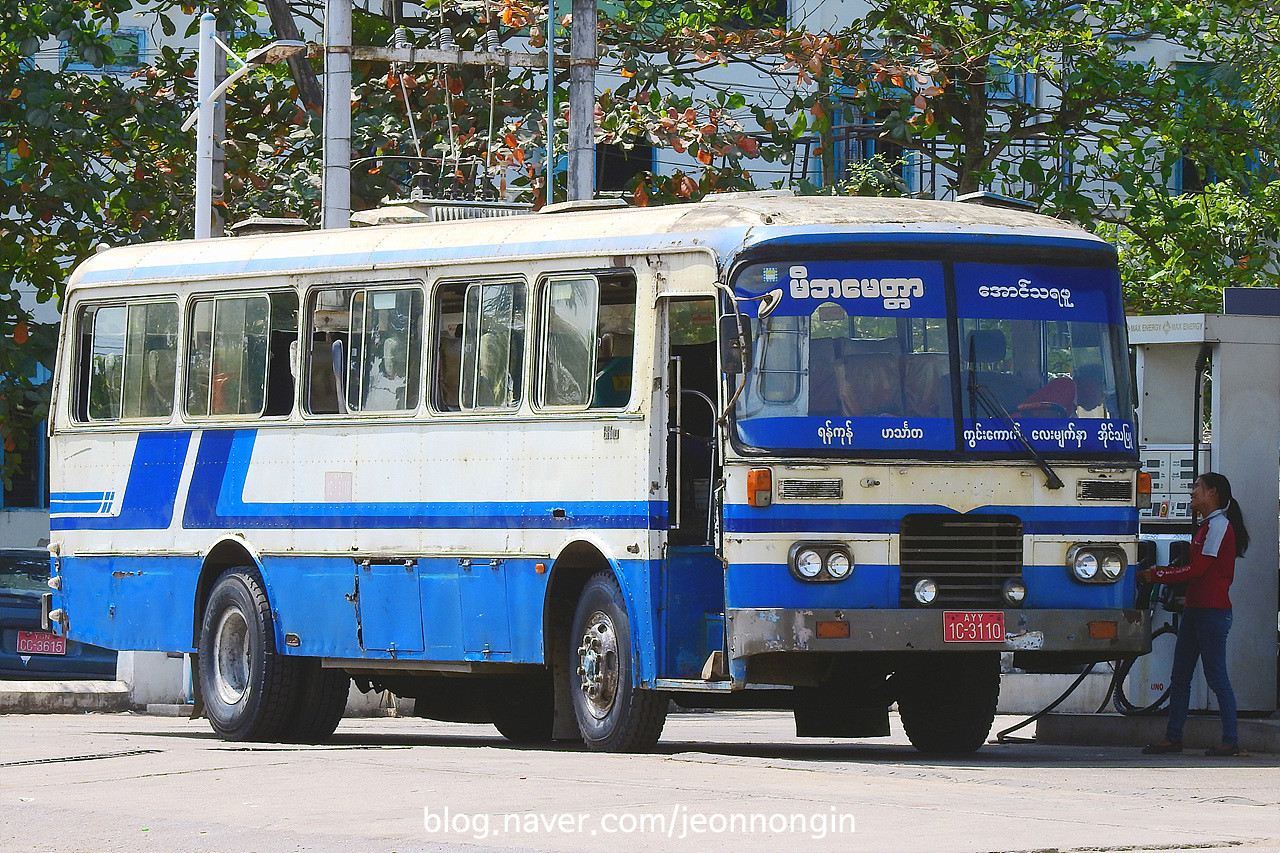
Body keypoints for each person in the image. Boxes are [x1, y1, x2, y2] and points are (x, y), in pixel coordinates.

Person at [1138, 472, 1251, 757]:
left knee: (1216, 677)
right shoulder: (1206, 527)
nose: (1191, 493)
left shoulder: (1219, 526)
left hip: (1212, 612)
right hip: (1195, 609)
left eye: (1197, 488)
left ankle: (1230, 740)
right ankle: (1173, 737)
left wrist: (1158, 575)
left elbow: (1198, 570)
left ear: (1212, 492)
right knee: (1180, 676)